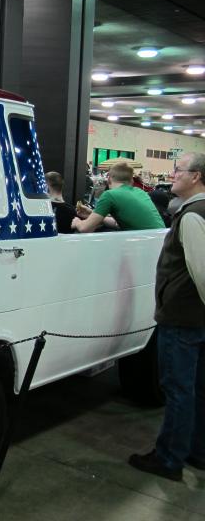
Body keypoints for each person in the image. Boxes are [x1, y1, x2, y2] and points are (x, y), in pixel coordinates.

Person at [128, 151, 205, 481]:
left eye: (179, 170)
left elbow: (201, 273)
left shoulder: (192, 216)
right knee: (196, 389)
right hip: (194, 318)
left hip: (183, 317)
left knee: (178, 390)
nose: (173, 174)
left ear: (196, 176)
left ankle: (169, 458)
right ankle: (196, 452)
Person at [71, 162, 164, 232]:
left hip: (145, 244)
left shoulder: (109, 195)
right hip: (160, 241)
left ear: (109, 179)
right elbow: (117, 223)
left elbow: (85, 228)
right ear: (131, 180)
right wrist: (92, 214)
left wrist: (77, 222)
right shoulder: (140, 192)